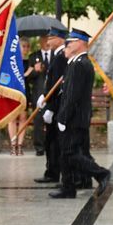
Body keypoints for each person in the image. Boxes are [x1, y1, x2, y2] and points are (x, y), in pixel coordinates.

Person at [49, 29, 111, 199]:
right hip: (75, 116)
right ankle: (68, 187)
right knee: (65, 153)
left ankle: (101, 173)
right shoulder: (76, 63)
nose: (66, 46)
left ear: (80, 43)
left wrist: (63, 117)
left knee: (70, 153)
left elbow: (72, 96)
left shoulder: (79, 64)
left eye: (70, 43)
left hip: (74, 118)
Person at [35, 28, 68, 183]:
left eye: (51, 38)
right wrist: (44, 96)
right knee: (51, 141)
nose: (48, 41)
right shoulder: (57, 55)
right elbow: (51, 81)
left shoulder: (62, 57)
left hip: (57, 106)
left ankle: (55, 172)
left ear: (60, 39)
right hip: (51, 103)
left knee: (55, 142)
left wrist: (51, 108)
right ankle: (52, 171)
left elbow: (59, 86)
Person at [28, 36, 51, 156]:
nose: (47, 42)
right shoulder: (33, 57)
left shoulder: (55, 55)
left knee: (52, 120)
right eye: (44, 40)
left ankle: (51, 145)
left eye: (48, 39)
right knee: (38, 121)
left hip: (52, 93)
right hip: (38, 94)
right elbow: (27, 77)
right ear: (40, 42)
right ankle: (39, 147)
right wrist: (34, 71)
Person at [8, 37, 32, 155]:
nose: (26, 49)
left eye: (28, 46)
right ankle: (13, 145)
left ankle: (20, 145)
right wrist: (27, 73)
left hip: (25, 92)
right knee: (12, 118)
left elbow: (31, 79)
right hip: (14, 91)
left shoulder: (29, 62)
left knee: (23, 118)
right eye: (24, 46)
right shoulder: (12, 61)